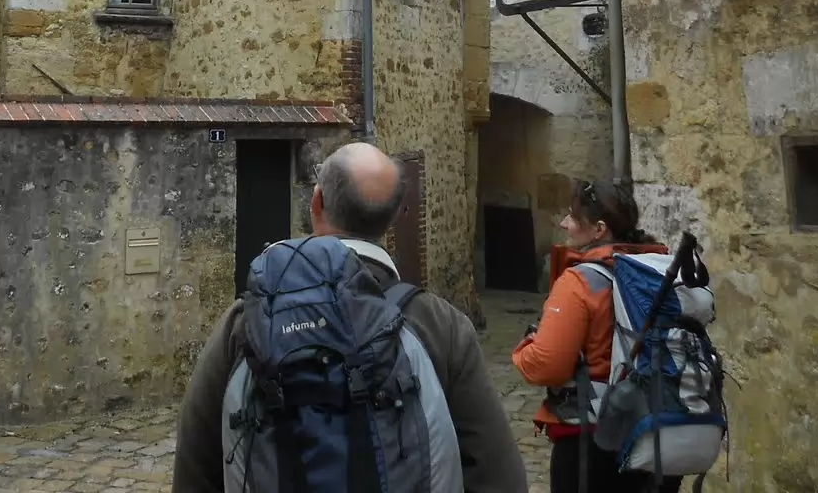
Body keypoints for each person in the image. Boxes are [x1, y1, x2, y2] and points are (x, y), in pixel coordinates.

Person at [172, 140, 527, 493]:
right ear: (395, 216)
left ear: (317, 202)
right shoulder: (440, 326)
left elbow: (195, 469)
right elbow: (498, 476)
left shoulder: (242, 325)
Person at [512, 179, 681, 493]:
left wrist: (524, 350)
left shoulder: (579, 281)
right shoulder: (658, 272)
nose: (564, 223)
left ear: (599, 229)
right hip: (657, 432)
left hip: (593, 440)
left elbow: (547, 365)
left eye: (573, 217)